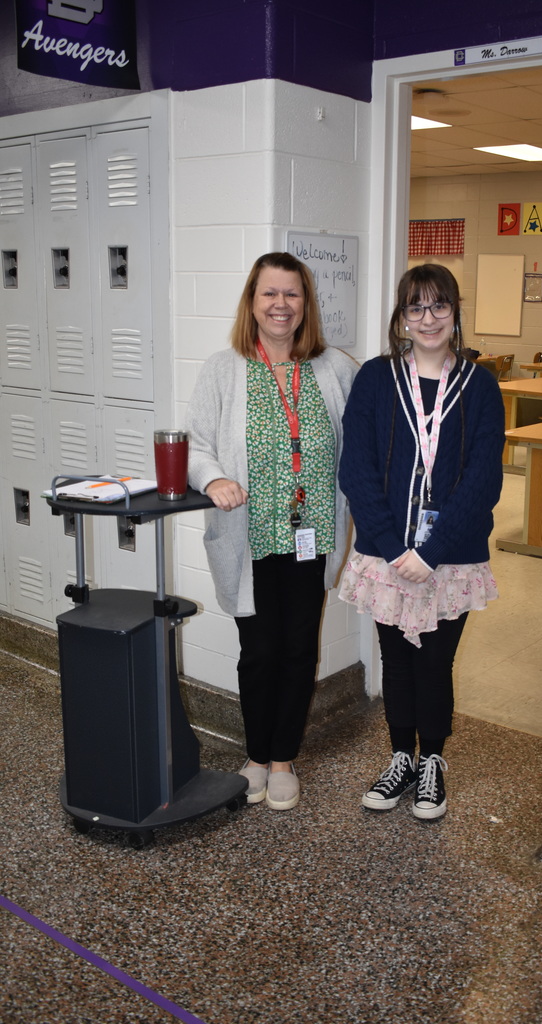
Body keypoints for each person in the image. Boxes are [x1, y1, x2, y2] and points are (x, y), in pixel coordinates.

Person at [186, 252, 357, 811]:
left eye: (292, 295)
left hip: (311, 535)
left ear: (305, 304)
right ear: (252, 303)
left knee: (298, 647)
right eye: (270, 294)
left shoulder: (332, 368)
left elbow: (362, 438)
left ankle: (284, 759)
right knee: (257, 651)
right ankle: (256, 756)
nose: (281, 305)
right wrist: (213, 480)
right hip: (250, 536)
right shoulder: (223, 367)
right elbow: (196, 444)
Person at [338, 264, 505, 820]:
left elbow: (484, 480)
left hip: (450, 558)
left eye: (439, 306)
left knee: (436, 661)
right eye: (416, 307)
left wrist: (428, 554)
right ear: (401, 318)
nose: (428, 318)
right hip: (386, 554)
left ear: (455, 314)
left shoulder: (480, 386)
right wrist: (392, 547)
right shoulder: (375, 379)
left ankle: (432, 759)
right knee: (395, 660)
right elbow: (355, 470)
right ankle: (400, 758)